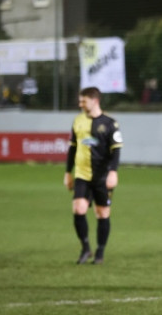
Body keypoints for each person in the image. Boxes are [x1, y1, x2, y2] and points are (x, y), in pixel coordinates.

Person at [63, 87, 123, 265]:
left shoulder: (110, 123)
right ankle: (85, 248)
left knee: (102, 213)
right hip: (82, 174)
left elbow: (116, 150)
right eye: (80, 101)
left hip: (102, 176)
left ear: (94, 100)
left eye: (83, 101)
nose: (80, 104)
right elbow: (72, 148)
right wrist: (67, 172)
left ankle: (100, 252)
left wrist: (113, 172)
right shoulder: (78, 121)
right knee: (78, 209)